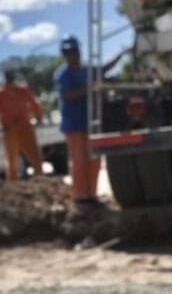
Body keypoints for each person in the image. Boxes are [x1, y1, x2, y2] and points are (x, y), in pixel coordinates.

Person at [53, 35, 127, 208]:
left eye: (73, 51)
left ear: (79, 51)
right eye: (68, 52)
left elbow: (104, 68)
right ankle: (80, 198)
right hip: (73, 124)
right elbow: (67, 95)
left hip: (89, 122)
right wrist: (90, 88)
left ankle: (91, 196)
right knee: (78, 161)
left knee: (94, 160)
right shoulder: (63, 74)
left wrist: (121, 54)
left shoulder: (87, 70)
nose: (71, 55)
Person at [0, 69, 44, 181]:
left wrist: (37, 120)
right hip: (10, 131)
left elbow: (36, 105)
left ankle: (41, 183)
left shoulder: (23, 91)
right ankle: (13, 188)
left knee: (36, 159)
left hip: (25, 129)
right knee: (12, 162)